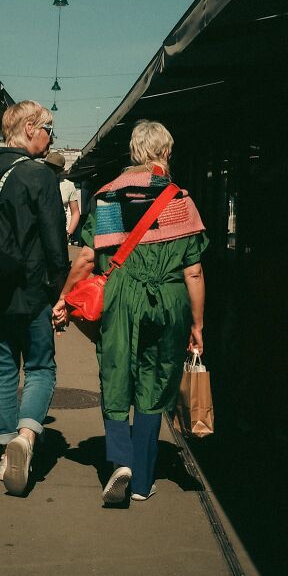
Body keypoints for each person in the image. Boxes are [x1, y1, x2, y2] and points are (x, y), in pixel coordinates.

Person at [52, 120, 208, 503]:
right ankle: (142, 482)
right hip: (169, 299)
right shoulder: (180, 200)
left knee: (118, 371)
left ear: (135, 153)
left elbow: (87, 257)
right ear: (165, 153)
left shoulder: (107, 198)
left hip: (121, 295)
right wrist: (198, 325)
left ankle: (119, 461)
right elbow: (194, 270)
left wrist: (63, 298)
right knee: (156, 382)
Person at [0, 101, 69, 496]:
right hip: (32, 290)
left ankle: (5, 451)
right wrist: (61, 292)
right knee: (40, 368)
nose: (51, 137)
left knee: (3, 367)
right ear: (28, 129)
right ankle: (25, 438)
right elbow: (56, 247)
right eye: (48, 129)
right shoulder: (39, 178)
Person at [45, 150, 80, 241]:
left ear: (61, 170)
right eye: (48, 166)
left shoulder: (68, 185)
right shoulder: (38, 182)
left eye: (54, 168)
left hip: (59, 232)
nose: (50, 170)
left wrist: (69, 233)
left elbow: (75, 212)